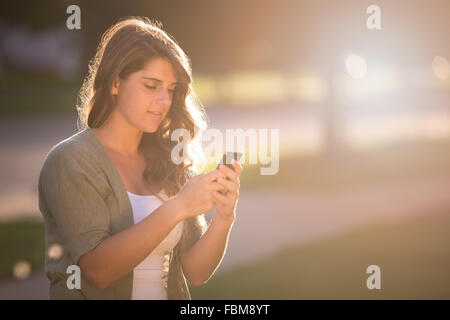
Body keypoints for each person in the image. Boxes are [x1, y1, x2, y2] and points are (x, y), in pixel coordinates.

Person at [38, 16, 242, 300]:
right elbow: (98, 270)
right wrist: (178, 207)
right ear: (115, 83)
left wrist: (224, 216)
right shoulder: (70, 161)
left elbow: (195, 272)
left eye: (170, 90)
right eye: (151, 86)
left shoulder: (167, 159)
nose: (164, 101)